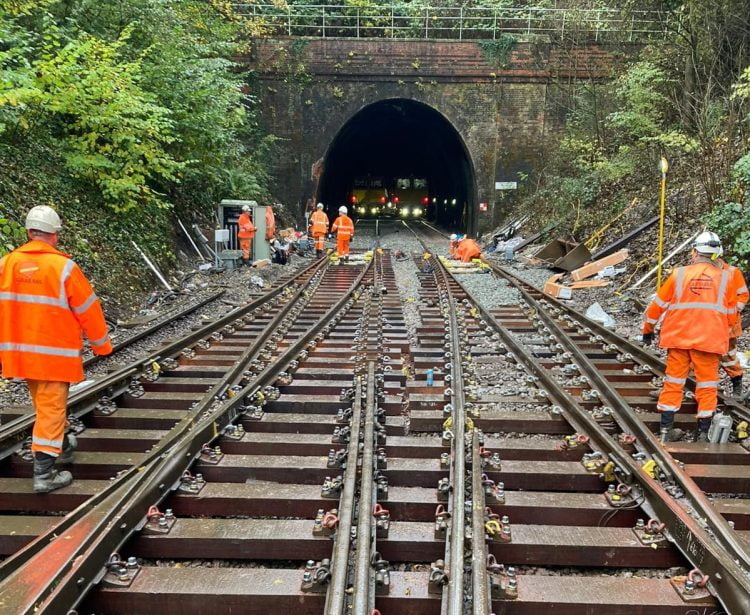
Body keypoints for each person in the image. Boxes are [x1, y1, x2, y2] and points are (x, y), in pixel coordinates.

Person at [0, 206, 112, 492]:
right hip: (53, 356)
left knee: (44, 403)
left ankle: (62, 444)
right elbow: (88, 309)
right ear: (54, 236)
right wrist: (102, 345)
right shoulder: (63, 268)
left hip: (20, 355)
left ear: (28, 233)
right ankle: (44, 474)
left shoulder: (6, 264)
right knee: (50, 409)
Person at [642, 231, 737, 442]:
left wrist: (647, 330)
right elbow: (731, 316)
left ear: (695, 251)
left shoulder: (679, 274)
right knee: (707, 385)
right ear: (715, 255)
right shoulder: (725, 279)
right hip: (709, 341)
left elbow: (657, 306)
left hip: (678, 338)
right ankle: (702, 433)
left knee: (673, 382)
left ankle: (666, 431)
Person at [717, 256, 749, 398]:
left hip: (728, 325)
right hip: (709, 323)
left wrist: (732, 314)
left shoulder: (732, 272)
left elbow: (743, 295)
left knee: (728, 357)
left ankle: (737, 387)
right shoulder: (705, 271)